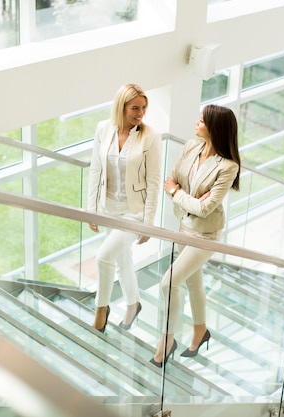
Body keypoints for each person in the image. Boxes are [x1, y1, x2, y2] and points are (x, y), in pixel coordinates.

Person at [150, 104, 241, 367]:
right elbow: (171, 180)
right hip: (184, 227)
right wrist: (186, 196)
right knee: (192, 283)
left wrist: (179, 193)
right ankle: (201, 331)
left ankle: (167, 340)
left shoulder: (228, 166)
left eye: (202, 120)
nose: (196, 122)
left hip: (206, 236)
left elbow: (204, 208)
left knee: (169, 283)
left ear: (215, 128)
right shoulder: (191, 146)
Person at [87, 83, 162, 333]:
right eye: (135, 108)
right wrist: (92, 209)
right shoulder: (103, 129)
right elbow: (95, 169)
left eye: (143, 108)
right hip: (107, 207)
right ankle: (133, 303)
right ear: (121, 106)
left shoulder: (150, 136)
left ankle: (101, 309)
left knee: (104, 257)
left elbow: (153, 182)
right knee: (122, 259)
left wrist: (148, 222)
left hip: (133, 212)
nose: (140, 113)